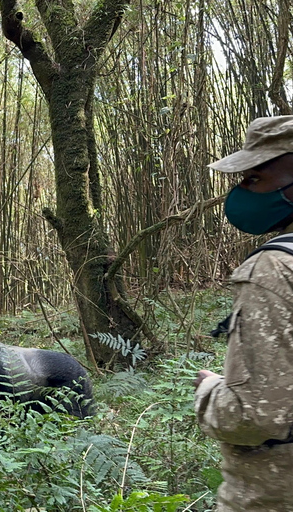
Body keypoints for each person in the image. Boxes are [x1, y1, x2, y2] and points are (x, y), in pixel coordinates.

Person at [194, 115, 293, 512]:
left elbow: (256, 416)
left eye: (254, 179)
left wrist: (208, 391)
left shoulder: (274, 268)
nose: (241, 191)